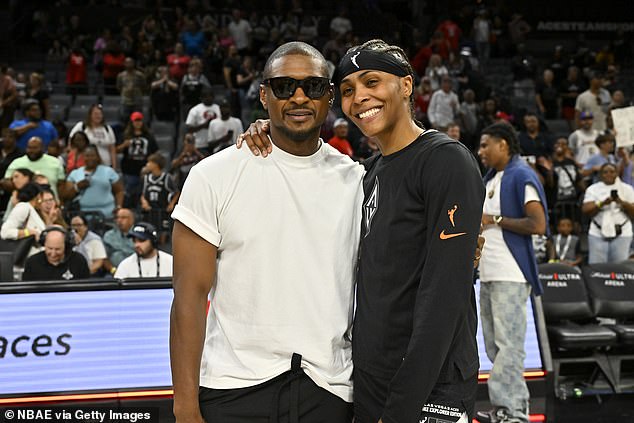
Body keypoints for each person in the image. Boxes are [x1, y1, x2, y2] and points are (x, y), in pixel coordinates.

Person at [238, 39, 485, 423]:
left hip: (428, 388)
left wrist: (402, 406)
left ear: (405, 86)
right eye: (349, 90)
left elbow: (443, 301)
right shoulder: (367, 172)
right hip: (370, 383)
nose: (360, 98)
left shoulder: (445, 160)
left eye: (372, 81)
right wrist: (267, 126)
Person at [170, 41, 364, 423]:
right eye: (283, 86)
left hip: (328, 390)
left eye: (312, 87)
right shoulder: (213, 176)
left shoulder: (357, 182)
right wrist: (185, 408)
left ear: (329, 97)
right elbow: (188, 299)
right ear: (263, 95)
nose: (298, 97)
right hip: (230, 390)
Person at [476, 123, 548, 423]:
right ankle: (505, 407)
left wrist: (496, 218)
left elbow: (537, 224)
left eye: (485, 145)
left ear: (503, 144)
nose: (480, 152)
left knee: (509, 347)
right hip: (490, 274)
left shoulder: (522, 175)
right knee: (494, 346)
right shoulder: (491, 177)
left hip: (511, 274)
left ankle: (514, 413)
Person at [582, 163, 634, 264]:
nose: (609, 174)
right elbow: (585, 209)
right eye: (605, 172)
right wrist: (602, 203)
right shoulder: (593, 189)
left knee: (620, 268)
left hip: (622, 233)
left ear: (617, 173)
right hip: (597, 233)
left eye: (612, 172)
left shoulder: (627, 189)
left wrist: (621, 202)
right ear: (601, 174)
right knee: (597, 268)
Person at [117, 112, 158, 208]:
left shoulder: (148, 136)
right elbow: (116, 150)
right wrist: (124, 145)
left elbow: (155, 151)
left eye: (139, 120)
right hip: (129, 170)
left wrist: (150, 163)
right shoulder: (125, 135)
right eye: (136, 121)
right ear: (131, 122)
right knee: (129, 193)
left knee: (143, 193)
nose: (138, 123)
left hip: (144, 170)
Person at [22, 226, 89, 281]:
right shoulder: (32, 262)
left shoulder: (79, 261)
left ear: (66, 245)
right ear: (44, 244)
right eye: (50, 248)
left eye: (57, 249)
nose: (53, 254)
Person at [140, 152, 179, 244]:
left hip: (162, 211)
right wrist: (144, 202)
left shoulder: (167, 178)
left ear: (155, 164)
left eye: (149, 162)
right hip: (150, 211)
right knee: (149, 234)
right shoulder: (146, 178)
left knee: (163, 235)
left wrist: (172, 203)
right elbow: (143, 194)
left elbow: (177, 192)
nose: (147, 164)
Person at [0, 182, 46, 258]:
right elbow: (5, 232)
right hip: (25, 259)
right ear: (38, 196)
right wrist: (30, 232)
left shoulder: (32, 210)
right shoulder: (24, 207)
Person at [69, 104, 117, 168]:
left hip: (106, 165)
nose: (98, 116)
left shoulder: (107, 128)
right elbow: (71, 141)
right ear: (90, 115)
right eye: (95, 114)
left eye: (100, 114)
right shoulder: (82, 126)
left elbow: (112, 150)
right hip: (85, 165)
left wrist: (114, 167)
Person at [185, 88, 221, 155]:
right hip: (200, 144)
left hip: (217, 144)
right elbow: (188, 128)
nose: (208, 98)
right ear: (201, 98)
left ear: (213, 97)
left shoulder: (219, 109)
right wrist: (203, 125)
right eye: (205, 96)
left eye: (210, 96)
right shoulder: (195, 110)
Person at [103, 207, 135, 274]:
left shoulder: (138, 234)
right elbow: (104, 258)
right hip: (114, 272)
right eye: (117, 218)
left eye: (123, 218)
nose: (119, 220)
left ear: (131, 220)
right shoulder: (109, 235)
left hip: (136, 270)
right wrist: (113, 270)